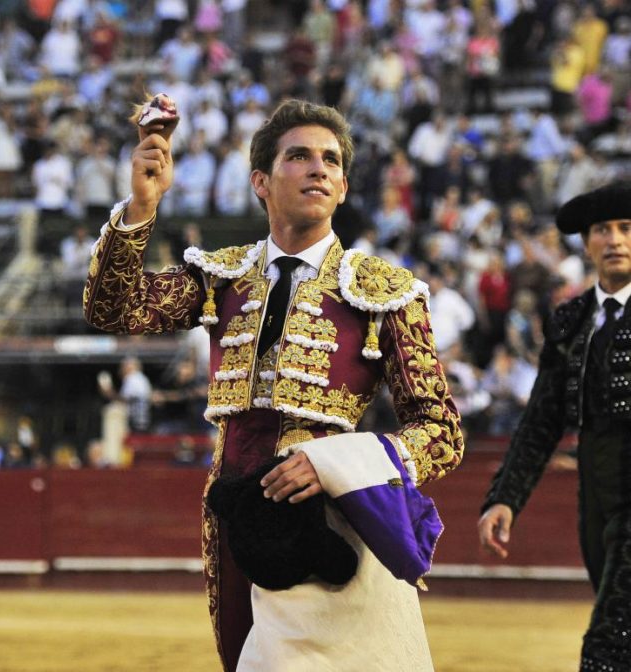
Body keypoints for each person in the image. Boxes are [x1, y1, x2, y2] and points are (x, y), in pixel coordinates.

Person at [84, 96, 463, 671]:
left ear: (341, 186)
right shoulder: (221, 276)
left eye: (331, 161)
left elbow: (442, 432)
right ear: (261, 181)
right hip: (234, 509)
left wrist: (335, 464)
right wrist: (141, 207)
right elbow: (115, 309)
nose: (319, 169)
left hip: (331, 517)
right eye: (301, 156)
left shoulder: (386, 293)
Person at [477, 181, 631, 671]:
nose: (614, 240)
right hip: (598, 500)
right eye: (601, 230)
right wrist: (505, 497)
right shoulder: (570, 320)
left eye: (626, 228)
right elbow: (542, 419)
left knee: (609, 644)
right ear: (585, 244)